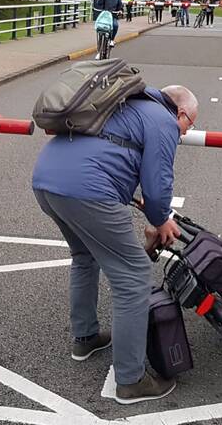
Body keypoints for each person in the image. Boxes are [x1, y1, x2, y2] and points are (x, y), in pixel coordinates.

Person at [32, 85, 199, 404]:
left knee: (84, 256)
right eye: (189, 125)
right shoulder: (162, 121)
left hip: (45, 181)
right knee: (134, 278)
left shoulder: (121, 104)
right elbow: (157, 184)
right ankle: (131, 379)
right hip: (88, 191)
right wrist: (161, 217)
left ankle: (86, 337)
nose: (186, 133)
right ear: (179, 112)